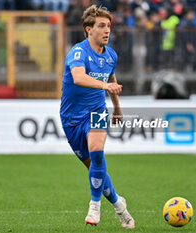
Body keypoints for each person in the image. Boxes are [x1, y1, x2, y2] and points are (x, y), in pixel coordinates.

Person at [59, 5, 135, 228]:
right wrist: (105, 85)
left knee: (98, 152)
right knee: (95, 169)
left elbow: (112, 82)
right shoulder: (78, 52)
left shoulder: (111, 55)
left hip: (97, 112)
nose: (107, 30)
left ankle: (94, 205)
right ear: (88, 30)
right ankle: (119, 205)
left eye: (109, 26)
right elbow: (79, 77)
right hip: (71, 118)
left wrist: (117, 109)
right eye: (101, 26)